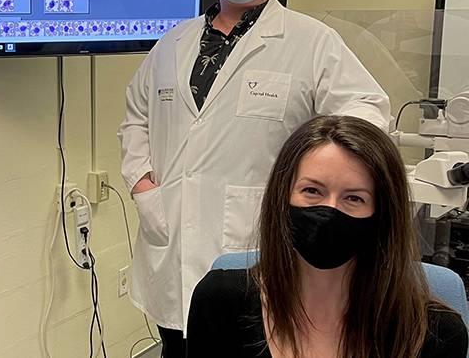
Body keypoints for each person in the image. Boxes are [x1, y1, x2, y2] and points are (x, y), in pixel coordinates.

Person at [117, 0, 391, 355]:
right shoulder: (173, 42)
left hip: (254, 241)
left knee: (248, 340)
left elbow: (367, 113)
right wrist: (143, 185)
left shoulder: (311, 41)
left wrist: (319, 173)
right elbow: (135, 117)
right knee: (177, 343)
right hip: (170, 238)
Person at [187, 115, 468, 357]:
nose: (329, 210)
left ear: (382, 216)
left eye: (354, 198)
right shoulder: (219, 302)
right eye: (312, 191)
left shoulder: (435, 334)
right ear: (282, 197)